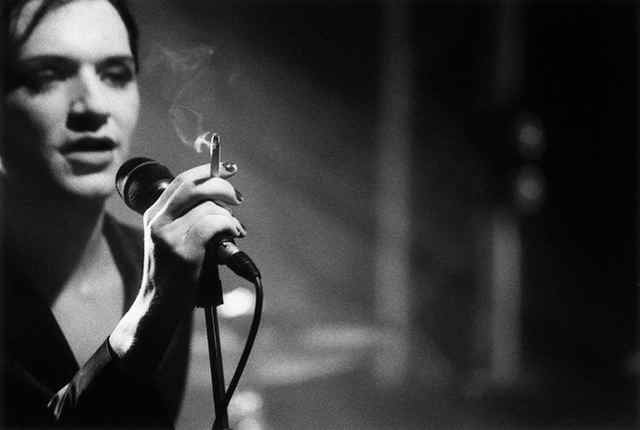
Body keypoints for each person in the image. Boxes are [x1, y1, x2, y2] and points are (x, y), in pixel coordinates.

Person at [1, 0, 246, 427]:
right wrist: (148, 315)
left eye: (115, 74)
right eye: (48, 75)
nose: (94, 106)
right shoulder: (161, 281)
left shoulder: (159, 263)